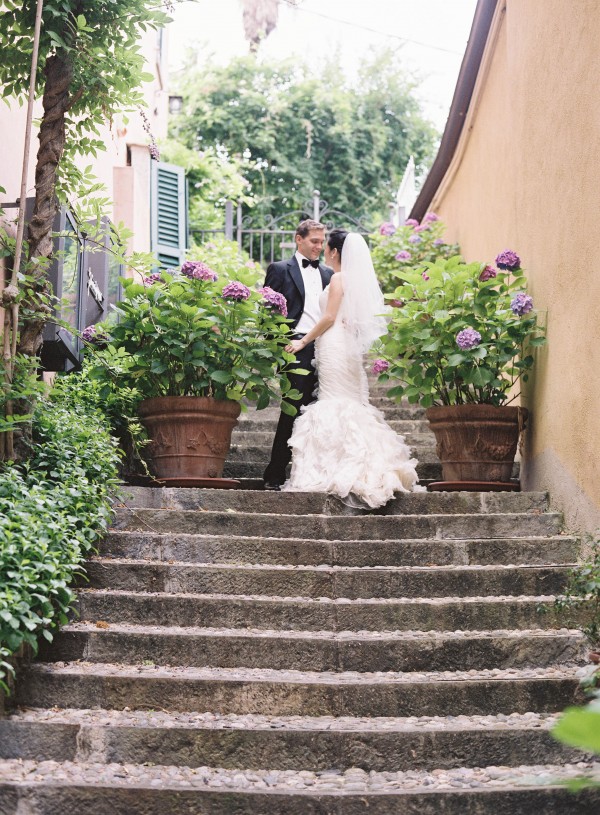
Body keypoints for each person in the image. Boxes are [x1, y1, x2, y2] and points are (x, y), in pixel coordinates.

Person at [281, 230, 423, 509]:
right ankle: (360, 463)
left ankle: (338, 467)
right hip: (345, 344)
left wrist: (303, 341)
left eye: (327, 248)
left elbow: (330, 316)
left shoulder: (337, 278)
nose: (323, 251)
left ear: (335, 252)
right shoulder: (353, 281)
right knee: (348, 402)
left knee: (334, 402)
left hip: (333, 344)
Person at [262, 219, 333, 491]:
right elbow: (267, 313)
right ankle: (275, 473)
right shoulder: (279, 270)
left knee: (322, 412)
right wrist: (279, 347)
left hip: (326, 349)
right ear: (298, 239)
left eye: (321, 241)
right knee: (292, 410)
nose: (319, 246)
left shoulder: (328, 274)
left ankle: (315, 473)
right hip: (294, 348)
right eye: (314, 241)